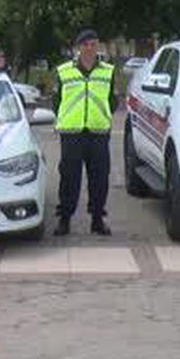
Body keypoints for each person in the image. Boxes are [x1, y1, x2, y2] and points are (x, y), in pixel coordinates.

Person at [52, 29, 118, 236]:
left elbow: (113, 101)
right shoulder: (63, 71)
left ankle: (97, 219)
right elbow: (57, 102)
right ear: (78, 47)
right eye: (85, 44)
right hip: (72, 133)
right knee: (69, 177)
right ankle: (64, 219)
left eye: (93, 44)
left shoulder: (108, 71)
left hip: (98, 133)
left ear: (97, 46)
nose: (89, 48)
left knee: (100, 178)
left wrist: (101, 116)